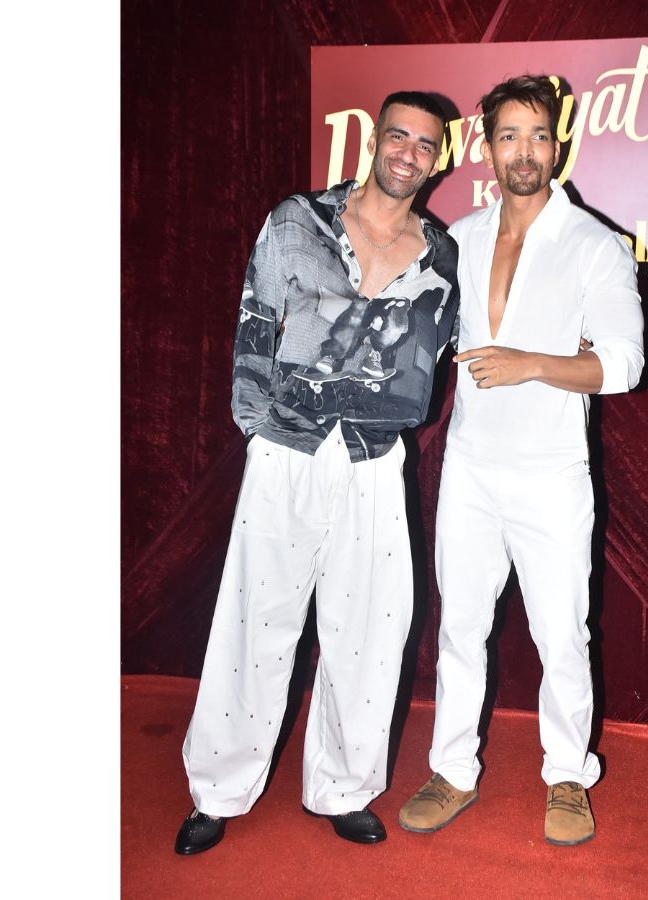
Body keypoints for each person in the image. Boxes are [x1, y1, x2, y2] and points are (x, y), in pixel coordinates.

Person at [174, 91, 459, 856]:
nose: (408, 153)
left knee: (369, 631)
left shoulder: (442, 254)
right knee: (254, 621)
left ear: (439, 159)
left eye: (424, 144)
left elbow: (437, 351)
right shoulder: (297, 221)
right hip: (288, 450)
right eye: (397, 136)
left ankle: (343, 788)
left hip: (374, 459)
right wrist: (258, 430)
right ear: (374, 140)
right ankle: (217, 790)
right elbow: (254, 323)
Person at [396, 75, 644, 847]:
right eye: (509, 136)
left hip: (551, 475)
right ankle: (452, 772)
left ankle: (568, 776)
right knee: (460, 627)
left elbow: (625, 364)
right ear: (488, 147)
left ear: (558, 145)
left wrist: (533, 361)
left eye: (538, 135)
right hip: (470, 468)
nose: (524, 152)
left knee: (562, 636)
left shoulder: (595, 245)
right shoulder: (460, 237)